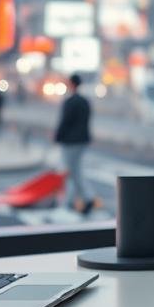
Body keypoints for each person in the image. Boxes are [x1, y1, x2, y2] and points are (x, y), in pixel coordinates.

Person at [55, 74, 96, 214]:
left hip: (70, 142)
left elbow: (65, 122)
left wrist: (57, 137)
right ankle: (69, 201)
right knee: (74, 170)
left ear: (71, 84)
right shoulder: (85, 101)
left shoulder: (70, 102)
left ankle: (87, 197)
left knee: (72, 172)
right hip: (82, 141)